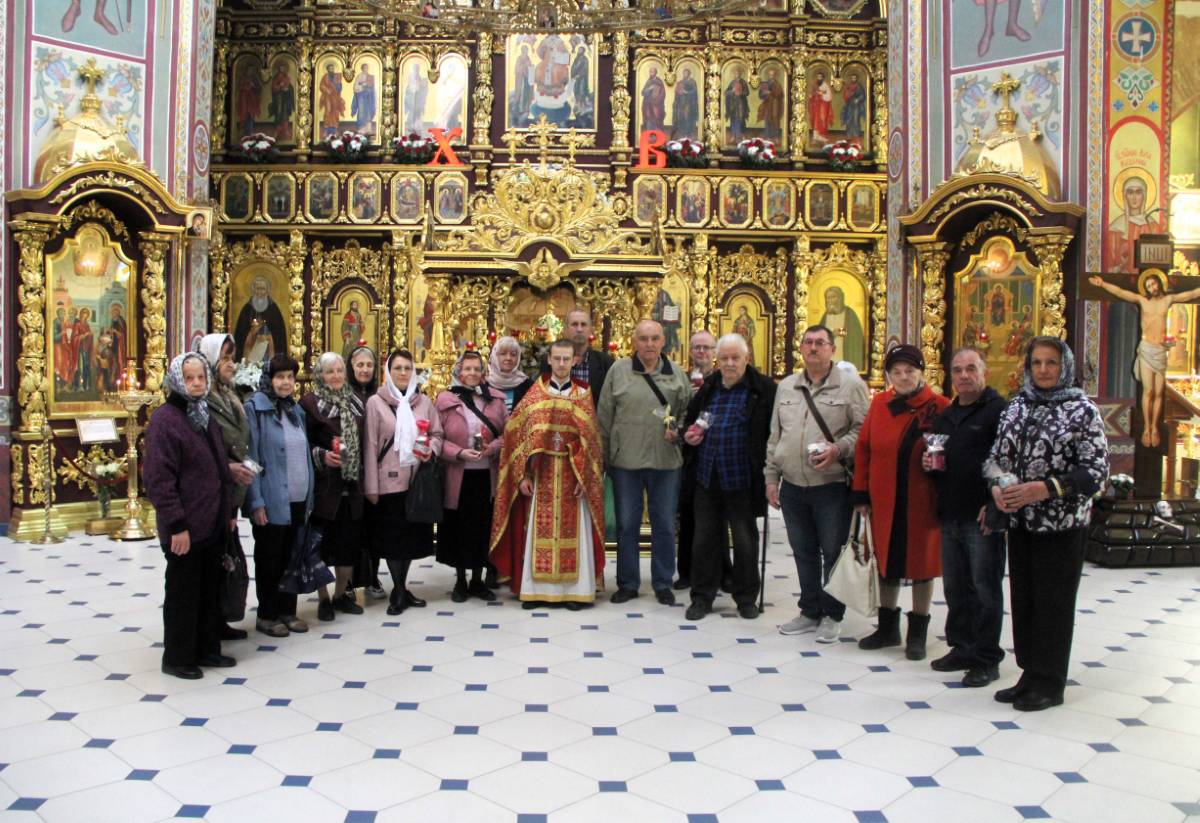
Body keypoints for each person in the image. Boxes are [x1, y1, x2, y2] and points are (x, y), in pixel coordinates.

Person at [986, 337, 1108, 711]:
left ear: (1064, 366)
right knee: (1025, 600)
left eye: (1051, 362)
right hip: (1022, 522)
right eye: (1036, 362)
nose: (1043, 369)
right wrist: (996, 486)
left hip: (1062, 525)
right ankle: (1029, 672)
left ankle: (1050, 682)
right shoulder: (1017, 406)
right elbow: (995, 457)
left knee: (1053, 603)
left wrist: (1045, 488)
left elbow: (1096, 473)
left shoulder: (1082, 410)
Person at [767, 325, 868, 643]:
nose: (813, 347)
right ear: (800, 348)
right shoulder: (787, 386)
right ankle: (809, 610)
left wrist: (838, 449)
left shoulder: (851, 386)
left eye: (820, 343)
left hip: (831, 485)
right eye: (808, 342)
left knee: (832, 551)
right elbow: (776, 436)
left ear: (832, 349)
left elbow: (863, 431)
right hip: (793, 484)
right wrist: (771, 477)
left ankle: (832, 614)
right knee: (803, 550)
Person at [490, 339, 607, 609]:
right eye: (557, 359)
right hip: (540, 474)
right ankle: (536, 592)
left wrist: (584, 477)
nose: (562, 364)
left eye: (567, 359)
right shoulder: (536, 393)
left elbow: (591, 443)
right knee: (536, 531)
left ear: (574, 361)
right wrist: (523, 475)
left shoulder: (583, 394)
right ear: (550, 360)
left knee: (574, 533)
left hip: (572, 475)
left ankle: (574, 592)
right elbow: (518, 438)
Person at [851, 344, 950, 660]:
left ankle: (917, 633)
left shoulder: (940, 407)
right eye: (896, 372)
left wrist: (938, 464)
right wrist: (861, 492)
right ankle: (887, 628)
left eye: (910, 371)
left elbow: (951, 453)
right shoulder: (880, 404)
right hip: (883, 499)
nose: (904, 377)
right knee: (886, 561)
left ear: (921, 372)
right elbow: (864, 448)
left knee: (922, 565)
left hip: (922, 500)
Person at [144, 353, 237, 680]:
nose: (196, 383)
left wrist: (228, 512)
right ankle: (178, 657)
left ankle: (207, 648)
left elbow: (219, 466)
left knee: (209, 589)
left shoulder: (204, 414)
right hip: (185, 525)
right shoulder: (165, 420)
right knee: (184, 592)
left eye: (201, 377)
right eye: (189, 378)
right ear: (176, 381)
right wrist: (177, 525)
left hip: (212, 520)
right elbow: (159, 479)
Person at [924, 349, 1007, 687]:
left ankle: (986, 658)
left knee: (985, 588)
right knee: (956, 587)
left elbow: (1006, 461)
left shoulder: (999, 411)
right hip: (951, 511)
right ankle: (961, 647)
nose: (963, 375)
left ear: (984, 372)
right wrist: (929, 465)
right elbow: (940, 457)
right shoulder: (947, 414)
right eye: (957, 370)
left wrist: (994, 503)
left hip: (981, 512)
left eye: (971, 368)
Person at [597, 319, 693, 605]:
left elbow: (688, 413)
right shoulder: (618, 371)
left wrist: (679, 430)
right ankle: (628, 583)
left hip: (666, 463)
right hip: (625, 462)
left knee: (664, 524)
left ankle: (663, 582)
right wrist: (605, 457)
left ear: (663, 341)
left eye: (654, 338)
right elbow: (604, 416)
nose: (649, 344)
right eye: (643, 338)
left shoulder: (677, 374)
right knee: (627, 525)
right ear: (634, 341)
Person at [682, 334, 776, 620]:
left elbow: (773, 431)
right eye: (724, 358)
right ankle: (702, 597)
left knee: (745, 541)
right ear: (717, 360)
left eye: (736, 358)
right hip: (708, 476)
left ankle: (746, 598)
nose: (730, 363)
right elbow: (692, 420)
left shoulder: (763, 389)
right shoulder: (709, 387)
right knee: (704, 540)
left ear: (746, 359)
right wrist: (689, 435)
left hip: (743, 478)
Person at [363, 350, 442, 615]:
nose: (403, 373)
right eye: (397, 368)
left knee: (410, 538)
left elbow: (437, 434)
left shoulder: (423, 402)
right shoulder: (376, 403)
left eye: (408, 368)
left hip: (416, 481)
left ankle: (402, 586)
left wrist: (431, 448)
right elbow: (370, 446)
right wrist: (371, 487)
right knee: (393, 539)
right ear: (388, 371)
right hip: (388, 483)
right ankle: (398, 590)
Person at [1088, 272, 1200, 448]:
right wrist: (1102, 284)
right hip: (1147, 348)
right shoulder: (1142, 301)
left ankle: (1155, 427)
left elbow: (1190, 294)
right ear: (1145, 289)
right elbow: (1121, 293)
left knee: (1159, 392)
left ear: (1159, 284)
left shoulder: (1168, 300)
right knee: (1148, 391)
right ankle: (1147, 427)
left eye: (1153, 284)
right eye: (1148, 286)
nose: (1151, 288)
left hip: (1160, 350)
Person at [245, 354, 314, 636]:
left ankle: (288, 610)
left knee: (292, 556)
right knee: (270, 558)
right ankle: (267, 614)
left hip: (298, 497)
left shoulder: (295, 410)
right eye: (280, 377)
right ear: (269, 379)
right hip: (272, 499)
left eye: (290, 377)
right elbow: (251, 458)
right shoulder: (256, 408)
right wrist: (256, 501)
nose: (286, 382)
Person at [197, 334, 257, 642]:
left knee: (227, 558)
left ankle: (219, 620)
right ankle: (207, 627)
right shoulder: (201, 400)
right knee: (212, 561)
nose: (231, 364)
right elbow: (201, 447)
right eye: (225, 358)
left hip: (231, 491)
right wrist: (228, 467)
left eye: (232, 358)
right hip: (211, 490)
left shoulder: (229, 393)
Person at [300, 352, 367, 622]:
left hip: (352, 486)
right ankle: (323, 599)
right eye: (330, 372)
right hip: (324, 488)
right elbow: (302, 443)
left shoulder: (357, 402)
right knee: (320, 546)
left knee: (347, 545)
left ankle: (341, 595)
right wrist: (322, 456)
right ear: (320, 375)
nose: (336, 376)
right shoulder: (310, 404)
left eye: (340, 370)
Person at [436, 351, 508, 602]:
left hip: (487, 476)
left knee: (483, 527)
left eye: (477, 369)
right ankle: (460, 580)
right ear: (459, 371)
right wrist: (459, 453)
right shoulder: (445, 399)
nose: (472, 373)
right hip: (458, 475)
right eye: (467, 369)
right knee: (459, 528)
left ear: (483, 372)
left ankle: (478, 580)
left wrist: (493, 448)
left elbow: (508, 433)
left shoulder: (495, 399)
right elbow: (437, 437)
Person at [676, 330, 729, 591]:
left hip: (716, 455)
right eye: (697, 347)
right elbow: (674, 413)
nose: (701, 352)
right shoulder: (681, 379)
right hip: (687, 457)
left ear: (714, 352)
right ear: (690, 351)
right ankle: (686, 572)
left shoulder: (723, 380)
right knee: (687, 515)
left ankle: (723, 573)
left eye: (706, 348)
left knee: (717, 518)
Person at [347, 343, 387, 602]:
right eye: (360, 365)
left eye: (369, 365)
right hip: (352, 475)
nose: (365, 369)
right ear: (351, 367)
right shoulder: (345, 395)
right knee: (352, 528)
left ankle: (373, 576)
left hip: (376, 472)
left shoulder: (380, 396)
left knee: (375, 527)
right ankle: (349, 580)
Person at [539, 309, 614, 406]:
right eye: (574, 324)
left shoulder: (605, 363)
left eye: (583, 325)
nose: (579, 329)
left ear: (590, 330)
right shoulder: (549, 362)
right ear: (565, 330)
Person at [233, 276, 287, 361]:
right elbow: (240, 333)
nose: (260, 292)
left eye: (263, 289)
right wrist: (252, 332)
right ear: (253, 290)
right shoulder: (247, 309)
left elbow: (279, 334)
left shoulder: (274, 309)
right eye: (258, 289)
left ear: (267, 291)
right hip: (250, 351)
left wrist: (268, 336)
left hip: (269, 350)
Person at [818, 286, 866, 374]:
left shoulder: (849, 313)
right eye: (828, 298)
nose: (831, 300)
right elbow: (818, 336)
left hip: (845, 354)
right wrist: (831, 335)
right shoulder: (825, 316)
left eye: (834, 297)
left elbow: (855, 333)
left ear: (840, 298)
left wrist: (840, 331)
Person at [488, 336, 535, 412]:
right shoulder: (485, 384)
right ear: (495, 356)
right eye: (503, 354)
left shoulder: (527, 385)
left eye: (513, 355)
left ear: (518, 358)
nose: (508, 358)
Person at [671, 67, 700, 140]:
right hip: (681, 102)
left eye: (686, 73)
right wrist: (678, 92)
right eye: (684, 73)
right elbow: (677, 93)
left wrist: (686, 92)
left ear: (689, 74)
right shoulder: (680, 82)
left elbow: (694, 91)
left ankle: (689, 133)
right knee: (681, 116)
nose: (684, 74)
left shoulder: (692, 82)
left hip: (689, 102)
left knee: (688, 116)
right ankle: (682, 133)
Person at [641, 66, 667, 133]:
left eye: (652, 72)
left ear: (655, 73)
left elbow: (662, 94)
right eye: (650, 72)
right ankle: (649, 133)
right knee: (649, 119)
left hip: (656, 105)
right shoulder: (648, 81)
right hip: (648, 105)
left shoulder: (659, 82)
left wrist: (657, 101)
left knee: (656, 119)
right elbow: (643, 92)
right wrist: (649, 88)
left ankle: (657, 135)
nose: (651, 73)